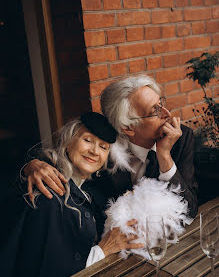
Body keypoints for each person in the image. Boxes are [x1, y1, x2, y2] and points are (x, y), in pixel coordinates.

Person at [0, 112, 143, 277]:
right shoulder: (48, 195)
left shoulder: (91, 187)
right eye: (87, 140)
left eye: (103, 147)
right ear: (68, 141)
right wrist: (104, 249)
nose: (95, 151)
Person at [23, 74, 198, 219]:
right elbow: (64, 153)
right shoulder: (105, 143)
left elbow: (189, 210)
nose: (167, 114)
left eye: (161, 104)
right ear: (127, 128)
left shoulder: (181, 138)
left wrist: (164, 156)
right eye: (155, 111)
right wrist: (31, 166)